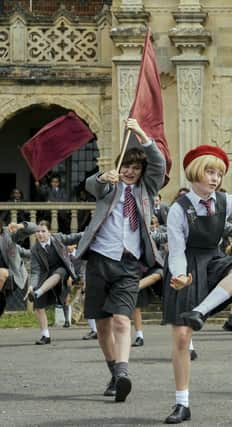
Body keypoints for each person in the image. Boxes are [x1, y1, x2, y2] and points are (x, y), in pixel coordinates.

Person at [162, 144, 232, 424]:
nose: (215, 178)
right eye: (209, 172)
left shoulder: (226, 201)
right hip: (186, 266)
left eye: (219, 173)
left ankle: (201, 311)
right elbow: (175, 250)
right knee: (181, 338)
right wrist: (178, 275)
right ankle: (182, 403)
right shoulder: (178, 209)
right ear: (195, 174)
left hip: (213, 262)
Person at [75, 118, 166, 403]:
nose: (129, 172)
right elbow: (91, 185)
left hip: (129, 263)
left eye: (135, 168)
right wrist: (104, 177)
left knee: (121, 319)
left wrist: (140, 133)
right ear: (119, 167)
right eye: (126, 166)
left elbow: (159, 165)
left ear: (141, 172)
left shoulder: (145, 189)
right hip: (100, 259)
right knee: (102, 324)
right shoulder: (109, 185)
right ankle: (114, 372)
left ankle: (124, 372)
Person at [24, 220, 83, 344]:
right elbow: (35, 271)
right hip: (46, 276)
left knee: (59, 272)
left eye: (43, 231)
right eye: (37, 232)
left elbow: (75, 237)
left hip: (63, 272)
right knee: (38, 305)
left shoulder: (58, 238)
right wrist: (31, 286)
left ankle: (38, 292)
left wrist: (91, 231)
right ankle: (45, 336)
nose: (40, 234)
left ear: (49, 232)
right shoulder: (35, 249)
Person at [0, 221, 37, 318]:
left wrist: (19, 226)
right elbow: (23, 251)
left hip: (13, 276)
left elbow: (33, 228)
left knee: (1, 273)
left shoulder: (8, 234)